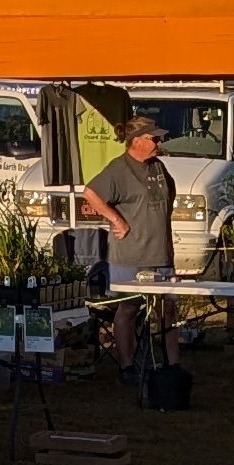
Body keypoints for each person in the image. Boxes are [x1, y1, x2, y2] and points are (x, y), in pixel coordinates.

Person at [80, 116, 176, 371]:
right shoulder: (119, 169)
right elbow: (90, 192)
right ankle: (127, 366)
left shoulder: (158, 167)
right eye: (152, 137)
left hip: (161, 254)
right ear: (136, 141)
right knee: (129, 309)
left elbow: (169, 198)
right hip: (130, 255)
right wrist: (117, 220)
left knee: (167, 311)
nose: (158, 141)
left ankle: (172, 365)